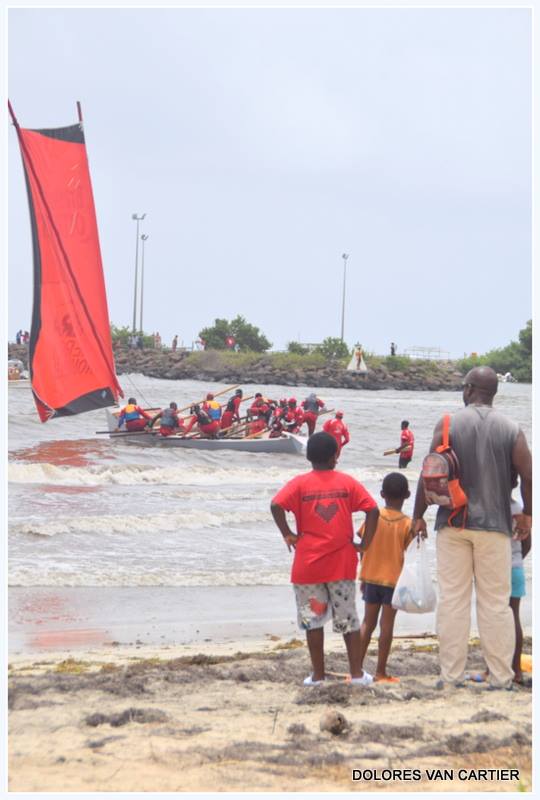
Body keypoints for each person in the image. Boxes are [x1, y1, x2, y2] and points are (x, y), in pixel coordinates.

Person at [412, 366, 532, 689]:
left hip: (453, 523)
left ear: (468, 390)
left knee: (453, 600)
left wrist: (417, 516)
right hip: (495, 526)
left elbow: (428, 473)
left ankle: (451, 676)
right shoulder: (511, 428)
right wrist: (528, 516)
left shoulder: (448, 424)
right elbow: (528, 473)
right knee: (496, 602)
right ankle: (502, 677)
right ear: (493, 392)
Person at [271, 432, 380, 686]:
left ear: (308, 457)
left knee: (313, 621)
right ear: (335, 456)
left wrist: (288, 534)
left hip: (307, 566)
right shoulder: (346, 483)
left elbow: (276, 505)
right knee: (348, 621)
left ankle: (318, 676)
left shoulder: (299, 484)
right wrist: (365, 544)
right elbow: (373, 510)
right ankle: (355, 674)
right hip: (341, 564)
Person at [357, 472, 414, 683]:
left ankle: (357, 668)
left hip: (371, 577)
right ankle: (380, 671)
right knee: (386, 625)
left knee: (367, 623)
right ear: (407, 495)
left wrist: (363, 574)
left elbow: (362, 546)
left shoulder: (374, 517)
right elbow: (410, 554)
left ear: (382, 494)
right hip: (393, 581)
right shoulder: (407, 524)